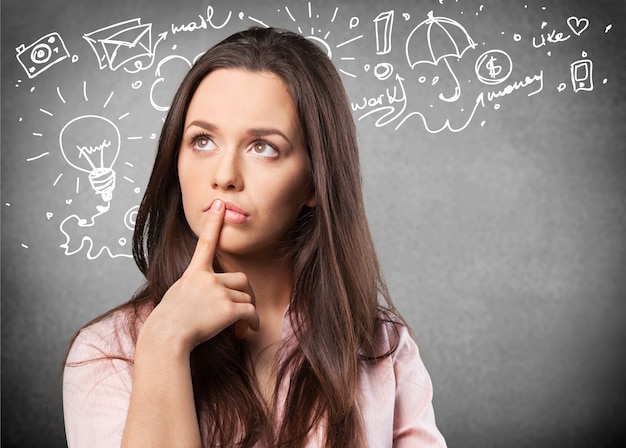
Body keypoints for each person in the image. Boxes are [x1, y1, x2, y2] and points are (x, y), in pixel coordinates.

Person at [63, 27, 447, 447]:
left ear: (315, 183)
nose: (224, 176)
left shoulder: (383, 348)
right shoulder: (107, 352)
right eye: (203, 140)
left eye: (263, 146)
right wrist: (163, 344)